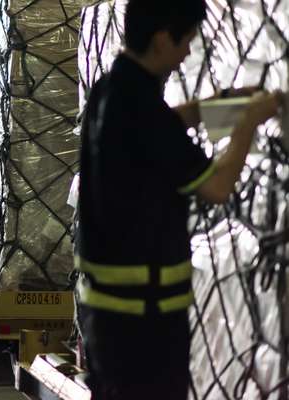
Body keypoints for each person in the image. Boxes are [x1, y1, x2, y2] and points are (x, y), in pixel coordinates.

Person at [75, 0, 284, 399]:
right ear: (160, 40)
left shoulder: (111, 91)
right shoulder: (143, 109)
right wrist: (247, 123)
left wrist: (224, 105)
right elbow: (218, 187)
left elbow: (164, 124)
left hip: (110, 316)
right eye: (185, 41)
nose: (188, 52)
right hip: (144, 321)